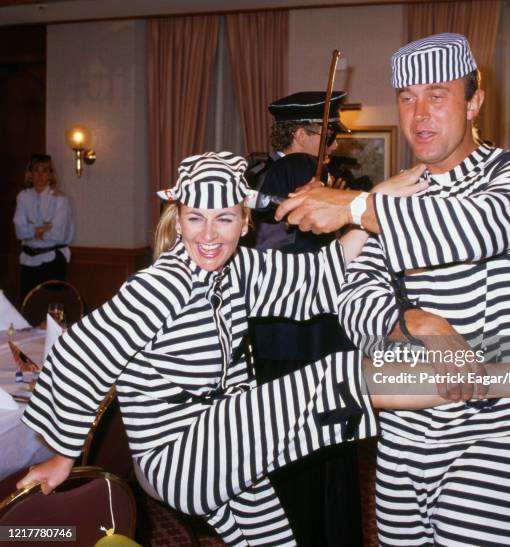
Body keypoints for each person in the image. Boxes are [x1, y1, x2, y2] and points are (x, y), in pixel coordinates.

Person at [17, 151, 430, 546]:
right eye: (196, 218)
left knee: (273, 538)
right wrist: (62, 455)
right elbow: (78, 352)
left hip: (218, 434)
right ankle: (488, 374)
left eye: (224, 218)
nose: (210, 235)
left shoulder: (239, 268)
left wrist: (371, 208)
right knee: (337, 378)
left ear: (245, 221)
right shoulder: (163, 284)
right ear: (178, 222)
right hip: (173, 455)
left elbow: (319, 274)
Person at [276, 33, 510, 546]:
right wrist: (411, 321)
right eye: (408, 97)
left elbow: (474, 226)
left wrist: (354, 208)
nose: (420, 114)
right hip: (401, 437)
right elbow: (354, 295)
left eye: (437, 96)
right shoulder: (398, 190)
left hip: (490, 430)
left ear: (475, 101)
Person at [249, 91, 361, 547]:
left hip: (276, 338)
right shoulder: (297, 170)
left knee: (296, 459)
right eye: (326, 134)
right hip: (305, 339)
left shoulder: (264, 171)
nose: (332, 146)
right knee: (316, 458)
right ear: (300, 134)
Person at [13, 154, 75, 302]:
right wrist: (42, 229)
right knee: (28, 308)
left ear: (50, 175)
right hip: (29, 260)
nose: (40, 175)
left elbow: (58, 235)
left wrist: (31, 230)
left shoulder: (60, 200)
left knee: (51, 308)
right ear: (30, 174)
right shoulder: (23, 197)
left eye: (45, 170)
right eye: (36, 170)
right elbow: (19, 231)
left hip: (53, 261)